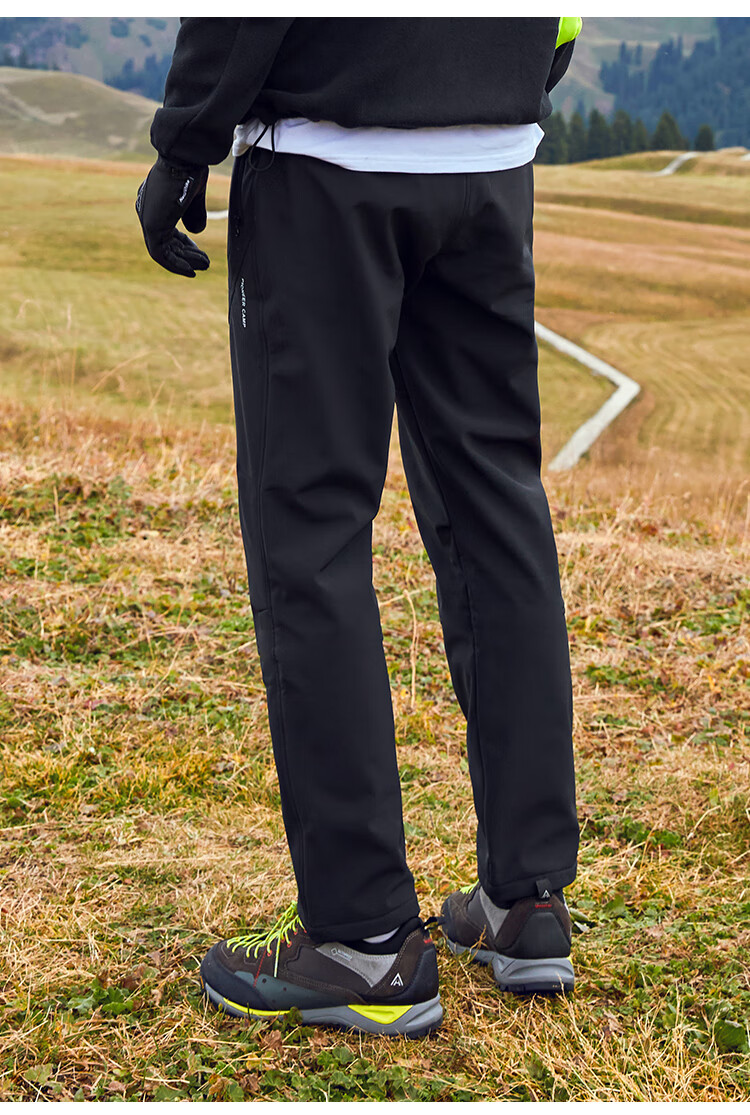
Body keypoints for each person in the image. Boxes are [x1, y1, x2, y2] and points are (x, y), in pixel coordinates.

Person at [136, 16, 582, 1039]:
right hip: (491, 149)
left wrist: (184, 143)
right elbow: (563, 24)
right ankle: (527, 900)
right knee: (497, 510)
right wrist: (497, 79)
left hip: (330, 156)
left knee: (312, 532)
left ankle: (363, 938)